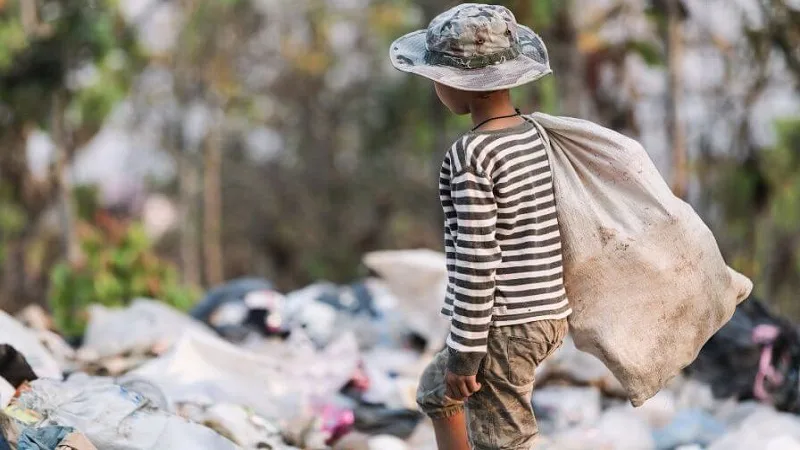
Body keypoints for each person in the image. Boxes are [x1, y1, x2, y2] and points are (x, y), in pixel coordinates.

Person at [389, 4, 571, 450]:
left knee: (502, 440)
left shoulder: (472, 155)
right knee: (439, 393)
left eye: (435, 77)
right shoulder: (534, 134)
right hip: (547, 312)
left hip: (504, 324)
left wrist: (466, 354)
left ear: (456, 84)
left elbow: (477, 260)